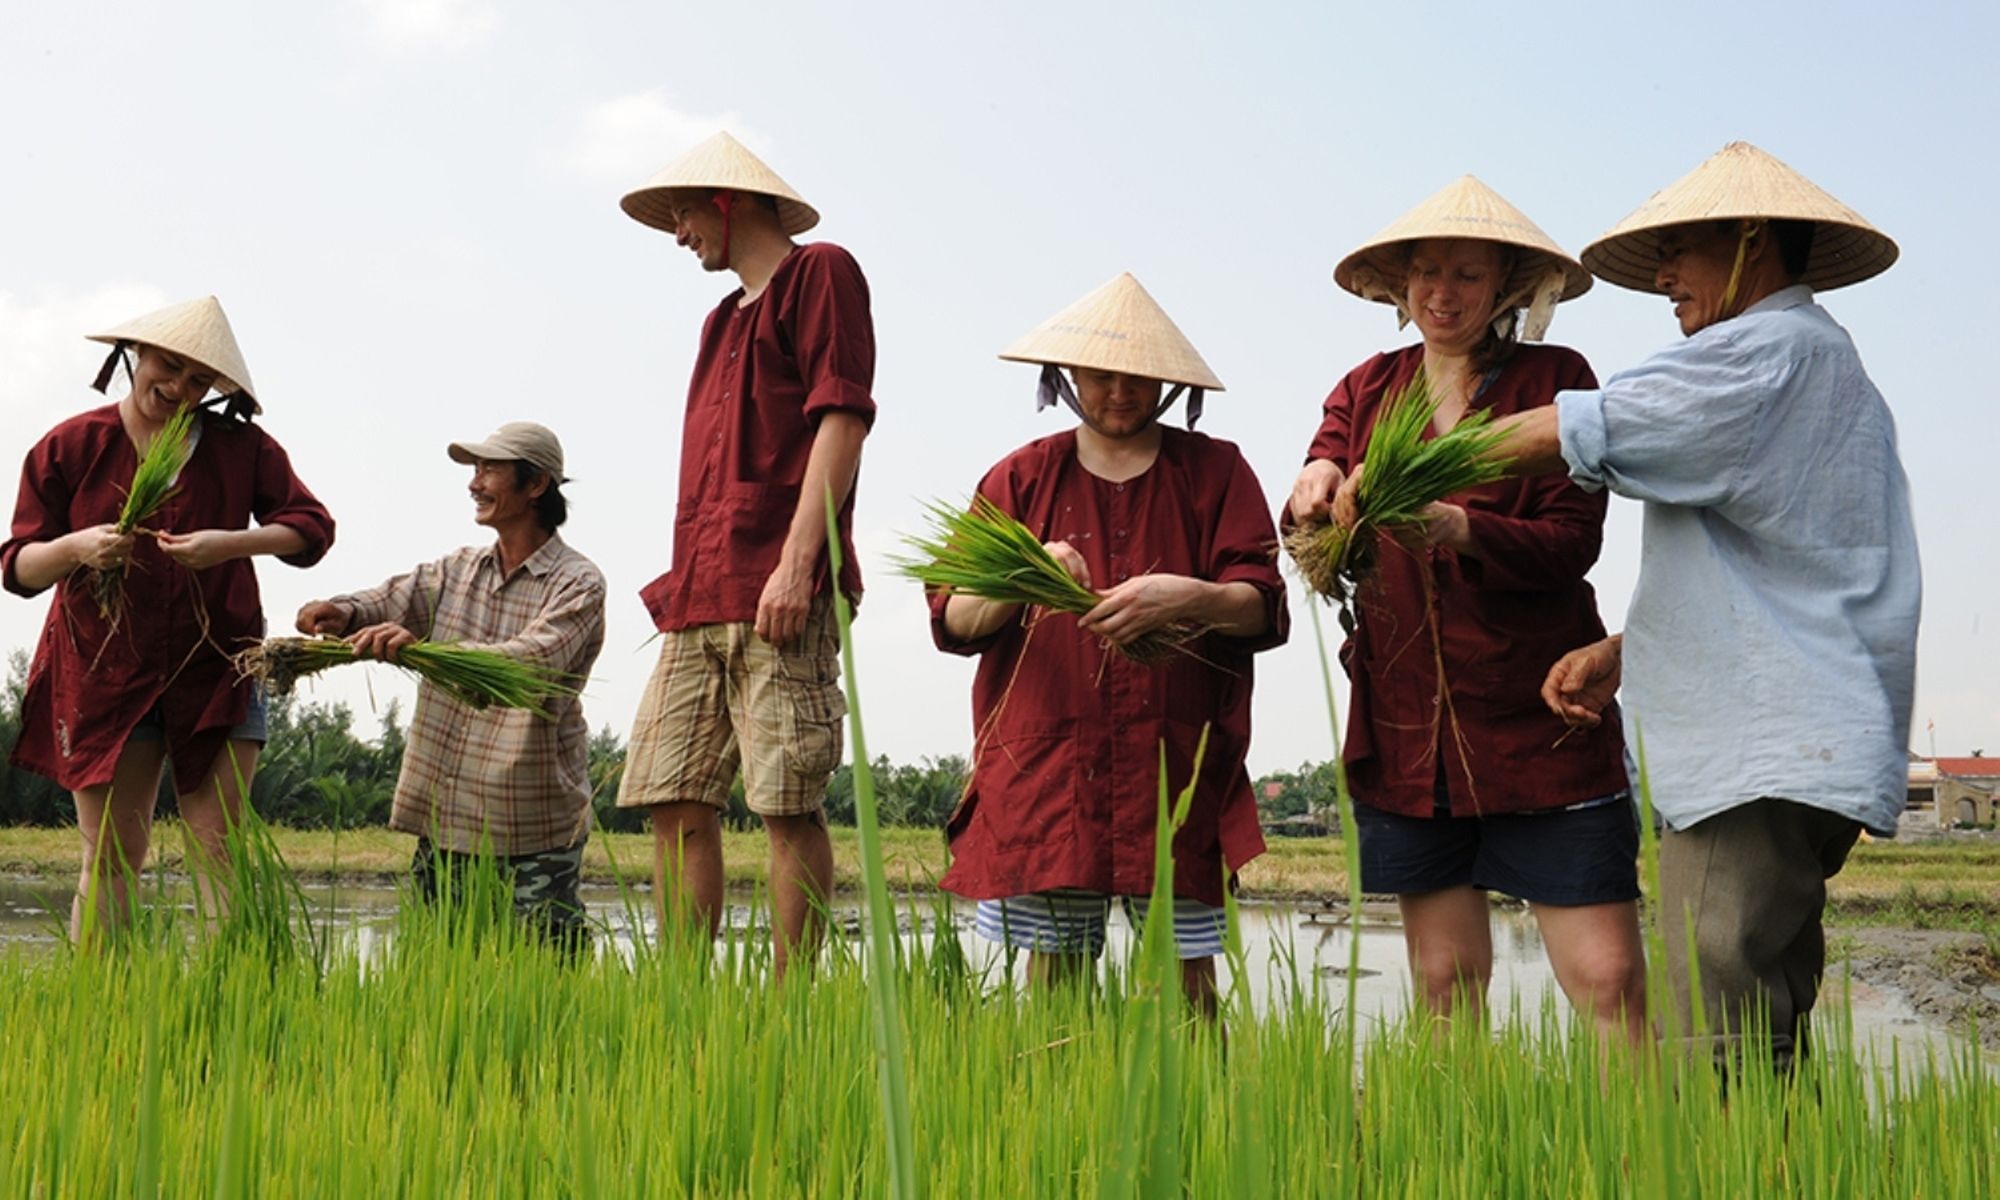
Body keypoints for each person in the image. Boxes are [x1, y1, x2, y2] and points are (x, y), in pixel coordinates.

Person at [1436, 143, 1920, 1067]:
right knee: (1761, 1010)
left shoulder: (1767, 350)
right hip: (1797, 735)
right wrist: (1631, 644)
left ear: (1748, 240)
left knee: (1716, 1027)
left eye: (1681, 250)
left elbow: (1591, 425)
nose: (1663, 276)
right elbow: (1794, 559)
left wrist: (1408, 465)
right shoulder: (1819, 363)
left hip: (1757, 754)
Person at [1292, 178, 1645, 1041]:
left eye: (1466, 276)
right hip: (1413, 730)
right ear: (1400, 286)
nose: (1442, 295)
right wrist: (1312, 490)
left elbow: (1571, 543)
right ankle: (1459, 1158)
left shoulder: (1555, 381)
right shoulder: (1366, 388)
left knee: (1607, 981)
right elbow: (1318, 489)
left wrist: (1458, 524)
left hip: (1538, 714)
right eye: (1425, 274)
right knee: (1445, 981)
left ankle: (1642, 1166)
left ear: (1507, 291)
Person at [933, 273, 1287, 1016]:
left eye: (1137, 377)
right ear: (1066, 378)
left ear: (1166, 383)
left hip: (1176, 768)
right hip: (1050, 770)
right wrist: (1026, 577)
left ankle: (1195, 1127)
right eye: (1100, 375)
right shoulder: (1019, 479)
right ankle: (1063, 1124)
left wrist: (1188, 595)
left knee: (1184, 984)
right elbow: (954, 619)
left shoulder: (1215, 473)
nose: (1119, 392)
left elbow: (1260, 608)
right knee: (1056, 980)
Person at [612, 132, 875, 979]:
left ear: (728, 202)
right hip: (699, 591)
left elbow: (842, 419)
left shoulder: (820, 273)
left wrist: (799, 565)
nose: (679, 233)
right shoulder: (720, 321)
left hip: (776, 583)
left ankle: (791, 1003)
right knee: (672, 797)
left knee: (786, 803)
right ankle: (684, 996)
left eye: (685, 214)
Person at [2, 296, 335, 938]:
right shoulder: (72, 445)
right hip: (106, 672)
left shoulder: (243, 449)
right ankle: (101, 1009)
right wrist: (78, 548)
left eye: (199, 379)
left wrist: (228, 542)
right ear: (134, 355)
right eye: (169, 365)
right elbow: (17, 567)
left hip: (217, 669)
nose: (179, 387)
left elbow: (311, 529)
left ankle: (224, 1004)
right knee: (111, 857)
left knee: (219, 851)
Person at [297, 422, 605, 947]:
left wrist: (421, 652)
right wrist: (341, 612)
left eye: (489, 470)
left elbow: (529, 662)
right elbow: (392, 598)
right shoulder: (458, 569)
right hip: (449, 814)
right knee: (434, 971)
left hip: (533, 818)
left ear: (536, 485)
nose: (474, 483)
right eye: (474, 470)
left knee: (545, 980)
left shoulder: (578, 582)